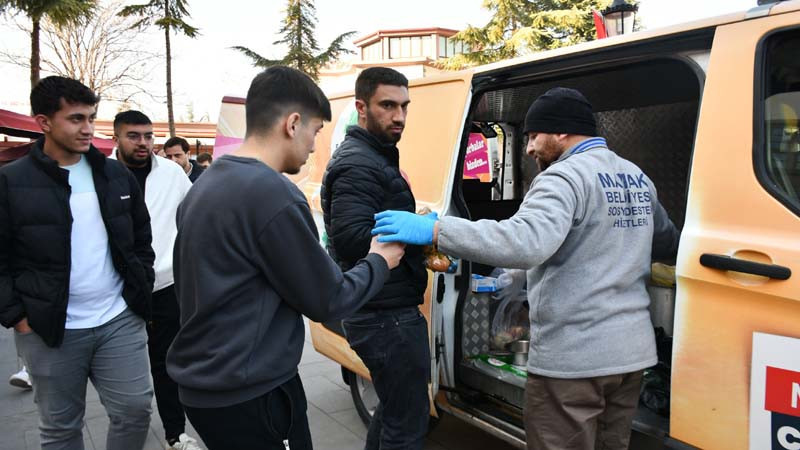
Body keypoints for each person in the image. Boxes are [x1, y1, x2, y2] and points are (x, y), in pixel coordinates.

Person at [371, 87, 681, 450]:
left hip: (575, 362)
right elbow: (664, 243)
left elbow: (524, 241)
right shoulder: (635, 177)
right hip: (631, 357)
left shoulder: (562, 178)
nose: (529, 147)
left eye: (534, 136)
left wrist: (437, 230)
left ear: (562, 131)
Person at [165, 66, 405, 450]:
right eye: (315, 132)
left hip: (206, 387)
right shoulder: (272, 193)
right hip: (250, 391)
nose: (313, 146)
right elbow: (327, 299)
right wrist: (380, 259)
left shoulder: (204, 185)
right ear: (293, 124)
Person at [0, 76, 155, 449]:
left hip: (118, 318)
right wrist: (18, 318)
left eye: (91, 117)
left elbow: (141, 239)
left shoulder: (114, 173)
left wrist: (140, 286)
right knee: (60, 428)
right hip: (49, 328)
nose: (88, 128)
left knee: (135, 411)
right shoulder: (10, 181)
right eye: (75, 119)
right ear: (44, 122)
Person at [320, 67, 430, 450]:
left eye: (404, 106)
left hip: (385, 310)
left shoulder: (372, 157)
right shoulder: (358, 163)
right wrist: (418, 234)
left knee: (394, 411)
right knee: (407, 426)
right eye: (387, 105)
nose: (399, 116)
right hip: (386, 317)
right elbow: (351, 239)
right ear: (361, 108)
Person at [112, 110, 200, 450]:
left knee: (168, 365)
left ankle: (175, 434)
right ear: (117, 138)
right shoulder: (100, 174)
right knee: (125, 376)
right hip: (117, 292)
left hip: (167, 286)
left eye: (149, 136)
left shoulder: (172, 174)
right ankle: (126, 432)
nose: (144, 143)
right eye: (134, 136)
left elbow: (193, 217)